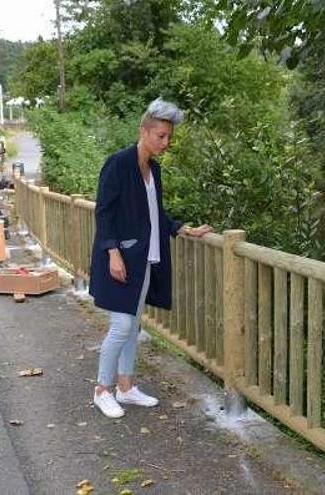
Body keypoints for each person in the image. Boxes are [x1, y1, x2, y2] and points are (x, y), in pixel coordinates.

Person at [89, 98, 212, 418]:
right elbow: (104, 212)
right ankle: (102, 389)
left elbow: (154, 213)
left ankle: (126, 387)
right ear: (143, 131)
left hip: (145, 259)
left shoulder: (153, 169)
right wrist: (113, 253)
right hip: (120, 258)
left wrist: (183, 229)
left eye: (169, 137)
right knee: (122, 325)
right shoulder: (117, 163)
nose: (165, 142)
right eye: (160, 135)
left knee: (133, 325)